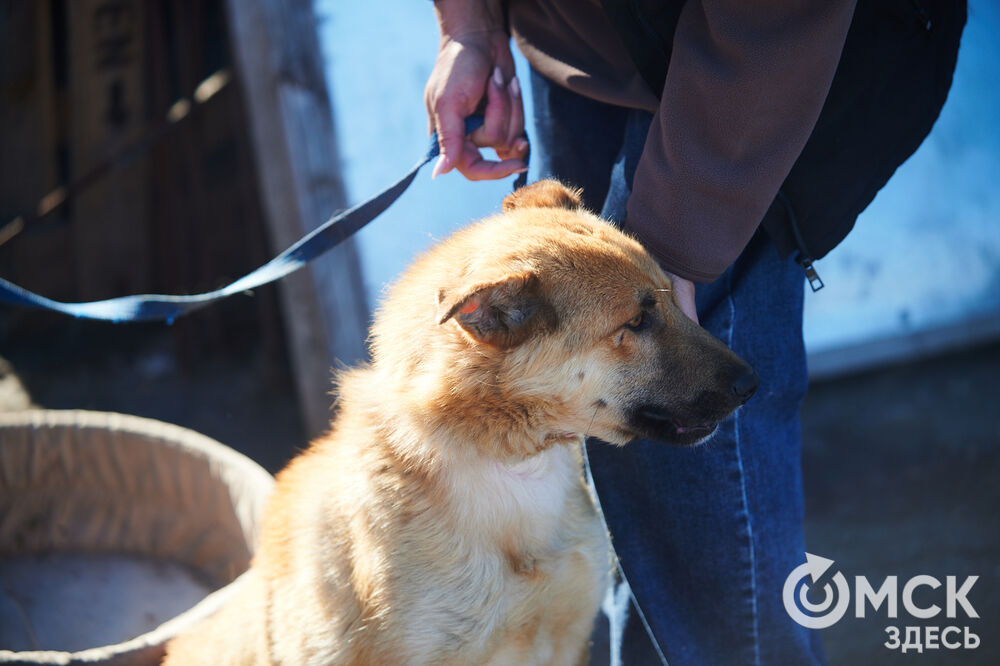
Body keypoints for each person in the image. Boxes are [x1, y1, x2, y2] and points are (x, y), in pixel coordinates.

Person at [424, 1, 965, 663]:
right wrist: (470, 26)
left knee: (699, 466)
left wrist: (679, 245)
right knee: (629, 478)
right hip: (579, 46)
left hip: (741, 74)